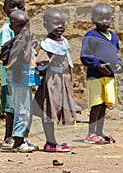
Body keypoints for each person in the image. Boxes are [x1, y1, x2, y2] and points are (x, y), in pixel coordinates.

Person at [80, 2, 123, 144]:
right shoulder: (90, 35)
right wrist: (97, 65)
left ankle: (99, 132)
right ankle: (91, 133)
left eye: (108, 18)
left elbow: (116, 55)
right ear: (93, 19)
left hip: (109, 77)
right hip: (95, 76)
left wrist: (119, 64)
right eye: (100, 18)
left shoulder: (114, 36)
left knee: (104, 104)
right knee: (96, 104)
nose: (105, 21)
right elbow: (85, 55)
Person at [34, 8, 75, 152]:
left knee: (57, 110)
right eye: (56, 23)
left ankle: (53, 141)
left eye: (63, 23)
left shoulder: (63, 41)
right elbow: (41, 62)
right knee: (49, 111)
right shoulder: (47, 44)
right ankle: (50, 142)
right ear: (46, 24)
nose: (60, 26)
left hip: (62, 80)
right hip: (52, 82)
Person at [6, 10, 41, 152]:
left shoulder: (23, 40)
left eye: (27, 25)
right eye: (21, 26)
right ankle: (17, 142)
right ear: (12, 27)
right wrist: (28, 44)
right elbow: (26, 58)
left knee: (26, 110)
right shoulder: (19, 42)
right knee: (22, 110)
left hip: (25, 81)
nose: (25, 29)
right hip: (19, 81)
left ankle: (23, 138)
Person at [0, 0, 25, 150]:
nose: (15, 9)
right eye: (11, 6)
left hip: (20, 76)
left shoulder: (22, 28)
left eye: (20, 7)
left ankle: (17, 135)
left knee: (19, 106)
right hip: (9, 76)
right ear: (4, 9)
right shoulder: (6, 30)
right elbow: (6, 54)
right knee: (10, 108)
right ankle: (8, 137)